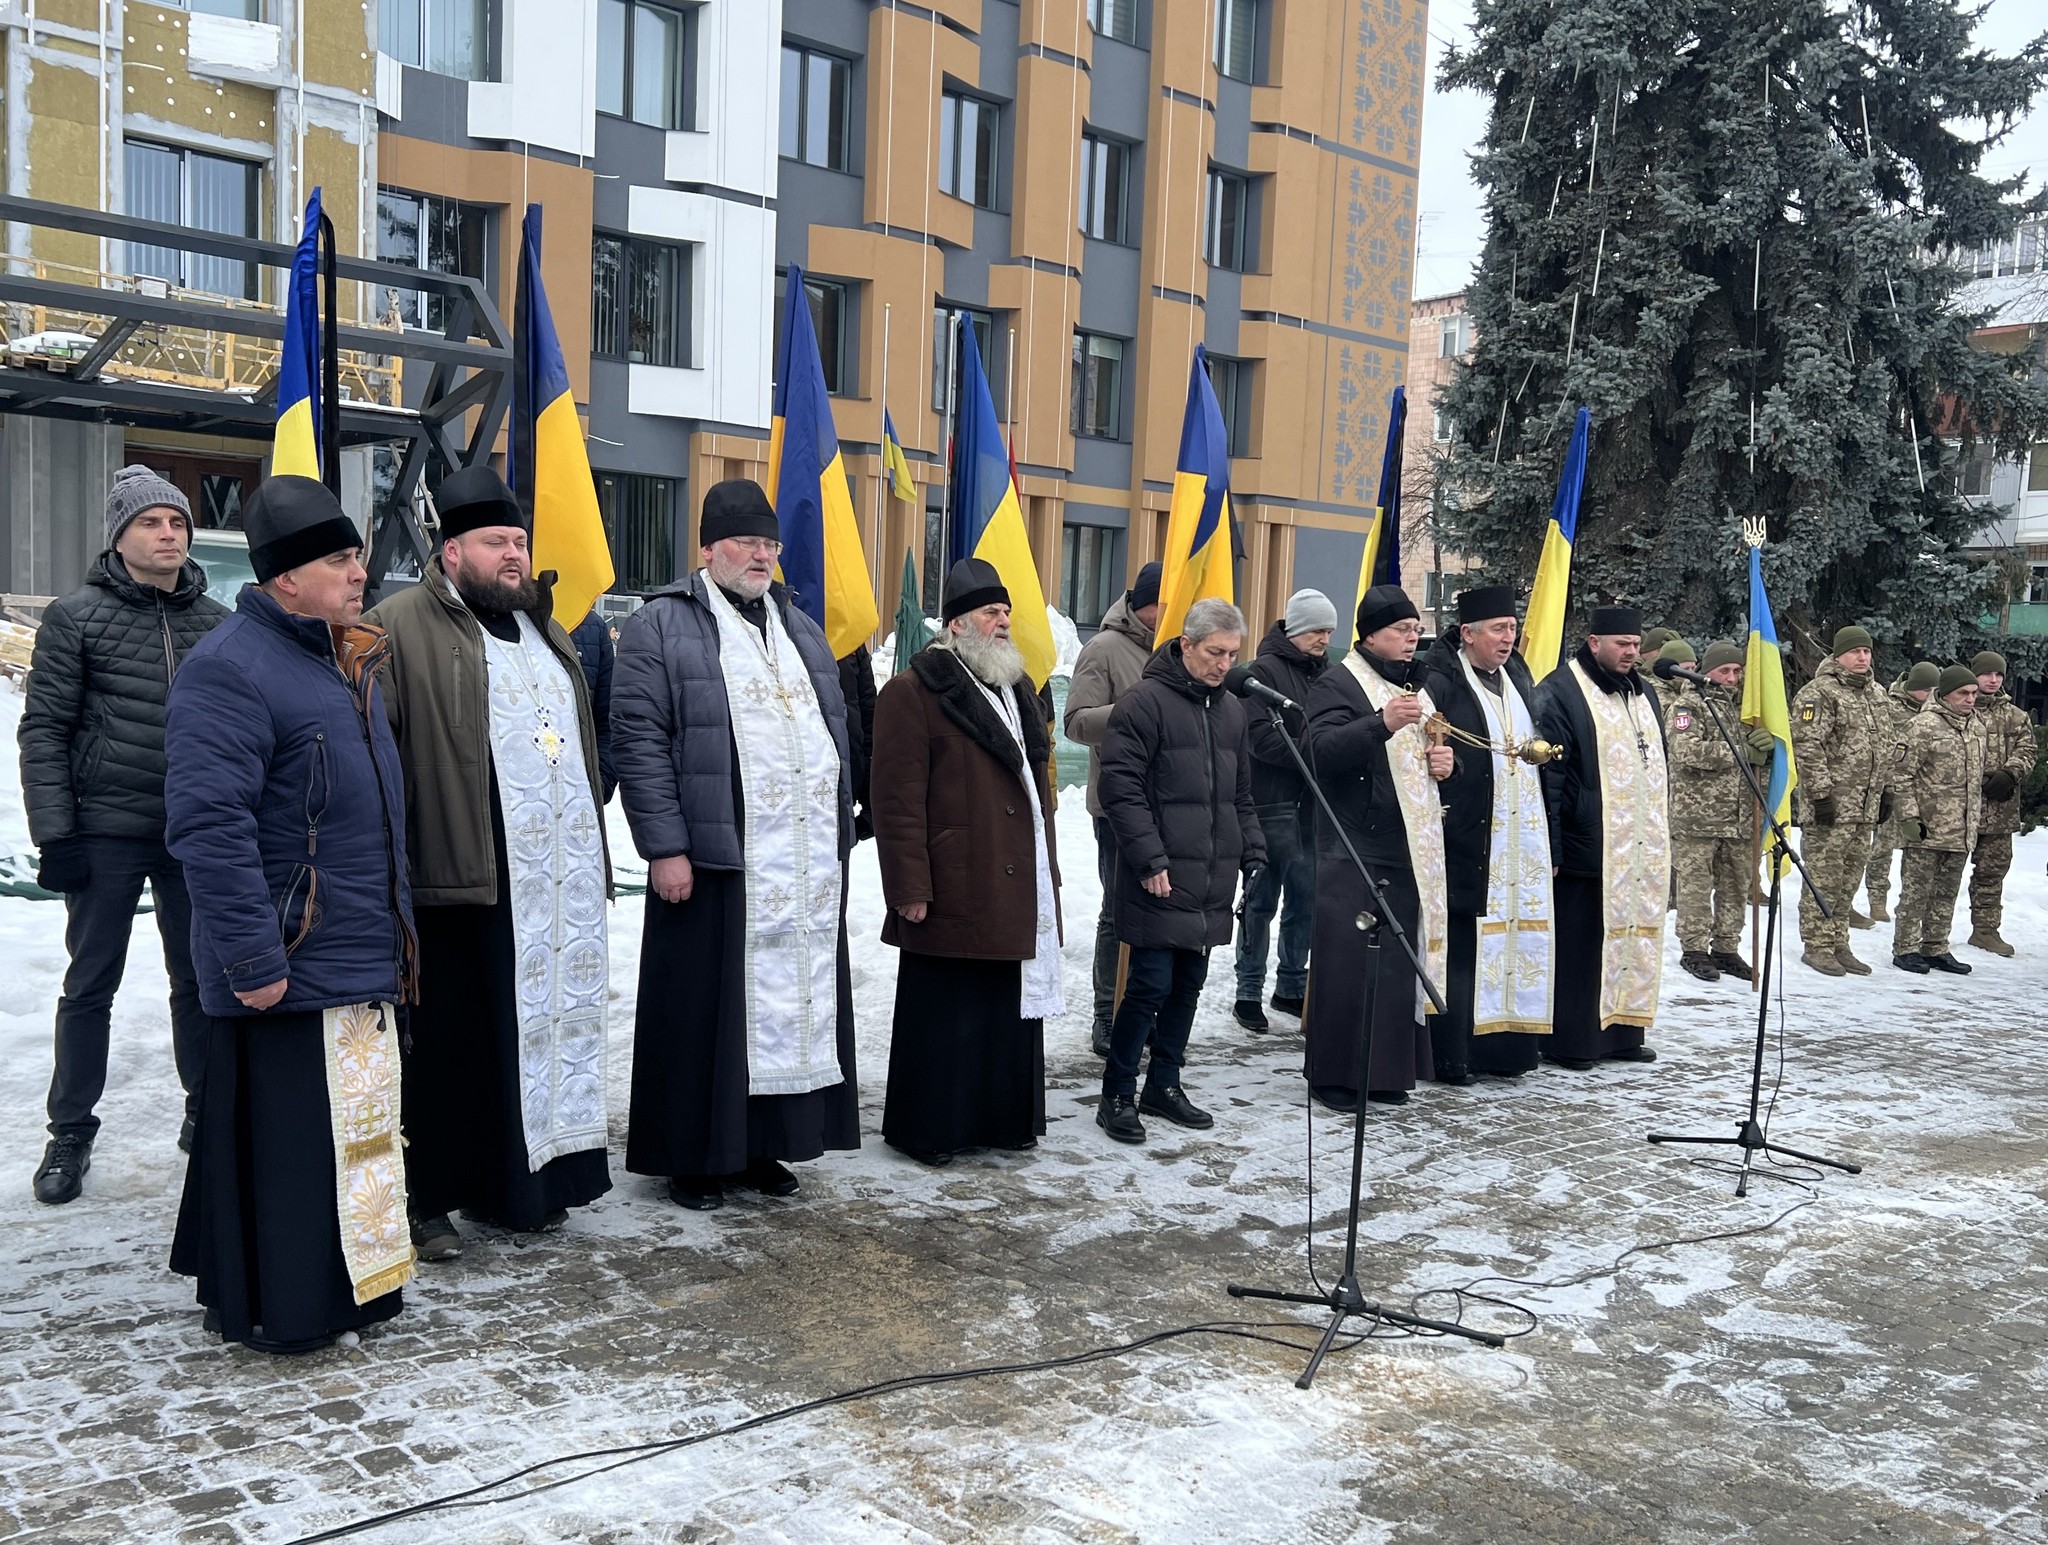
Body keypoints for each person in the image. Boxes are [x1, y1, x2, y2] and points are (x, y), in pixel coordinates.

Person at [164, 476, 416, 1353]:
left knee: (351, 1140)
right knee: (292, 1154)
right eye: (339, 559)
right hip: (289, 956)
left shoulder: (343, 657)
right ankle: (287, 1308)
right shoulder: (230, 668)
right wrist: (252, 957)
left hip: (351, 947)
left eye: (356, 556)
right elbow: (208, 825)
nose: (359, 572)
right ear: (284, 580)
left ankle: (345, 1294)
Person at [363, 466, 613, 1260]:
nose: (513, 555)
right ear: (452, 552)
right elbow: (379, 753)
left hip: (552, 884)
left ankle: (520, 1186)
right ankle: (429, 1200)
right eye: (495, 542)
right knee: (452, 1047)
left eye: (519, 541)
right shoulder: (396, 624)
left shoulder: (543, 626)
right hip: (456, 871)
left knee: (527, 1037)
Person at [612, 480, 859, 1210]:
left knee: (778, 1007)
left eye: (769, 544)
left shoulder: (797, 626)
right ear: (708, 547)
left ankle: (760, 1143)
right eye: (747, 541)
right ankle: (690, 1156)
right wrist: (664, 846)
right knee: (702, 1014)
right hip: (712, 856)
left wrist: (840, 825)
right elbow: (639, 739)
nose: (761, 555)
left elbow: (832, 728)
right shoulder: (661, 624)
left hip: (796, 860)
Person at [19, 466, 229, 1205]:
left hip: (193, 833)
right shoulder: (75, 617)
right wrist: (55, 834)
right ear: (119, 535)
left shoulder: (216, 622)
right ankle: (69, 1130)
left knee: (201, 981)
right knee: (90, 984)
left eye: (177, 522)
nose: (168, 533)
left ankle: (208, 1111)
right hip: (105, 830)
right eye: (150, 522)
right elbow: (45, 729)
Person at [872, 558, 1062, 1165]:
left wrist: (1050, 872)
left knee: (1004, 1006)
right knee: (945, 1012)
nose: (1002, 621)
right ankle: (928, 1130)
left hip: (1013, 875)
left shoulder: (1017, 688)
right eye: (989, 612)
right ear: (955, 623)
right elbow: (896, 801)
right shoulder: (912, 692)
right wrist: (909, 886)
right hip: (953, 879)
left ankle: (1001, 1122)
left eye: (1006, 611)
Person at [1094, 597, 1263, 1142]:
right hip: (1160, 874)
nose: (1224, 665)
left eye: (1232, 654)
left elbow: (1240, 796)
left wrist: (1253, 850)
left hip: (1210, 875)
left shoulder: (1232, 711)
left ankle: (1164, 1084)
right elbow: (1120, 788)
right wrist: (1149, 859)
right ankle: (1117, 1093)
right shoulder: (1144, 703)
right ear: (1186, 645)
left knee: (1188, 985)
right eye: (1215, 652)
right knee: (1148, 986)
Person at [1301, 584, 1454, 1108]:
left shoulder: (1417, 685)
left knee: (1394, 964)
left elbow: (1429, 754)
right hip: (1352, 846)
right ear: (1369, 635)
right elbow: (1318, 751)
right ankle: (1334, 1077)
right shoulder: (1338, 683)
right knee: (1349, 962)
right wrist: (1380, 723)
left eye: (1415, 630)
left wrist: (1447, 765)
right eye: (1401, 630)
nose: (1412, 638)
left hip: (1407, 843)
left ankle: (1385, 1073)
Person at [1418, 585, 1551, 1081]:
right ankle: (1456, 1054)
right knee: (1464, 947)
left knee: (1514, 939)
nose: (1508, 638)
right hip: (1466, 834)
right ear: (1468, 634)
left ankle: (1506, 1052)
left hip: (1519, 839)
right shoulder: (1440, 680)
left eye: (1512, 628)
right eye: (1498, 629)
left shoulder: (1517, 677)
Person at [1530, 607, 1669, 1069]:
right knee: (1583, 947)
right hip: (1585, 841)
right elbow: (1549, 778)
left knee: (1629, 939)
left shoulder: (1643, 692)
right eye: (1621, 644)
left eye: (1636, 644)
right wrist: (1552, 844)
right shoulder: (1562, 689)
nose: (1631, 653)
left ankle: (1623, 1032)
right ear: (1594, 643)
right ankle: (1572, 1042)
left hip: (1637, 845)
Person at [1064, 561, 1160, 1056]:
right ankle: (1107, 1014)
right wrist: (1133, 711)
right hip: (1118, 805)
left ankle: (1145, 1012)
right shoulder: (1103, 648)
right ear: (1144, 603)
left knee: (1161, 917)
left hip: (1170, 805)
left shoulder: (1180, 649)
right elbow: (1076, 723)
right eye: (1163, 603)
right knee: (1117, 912)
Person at [1233, 588, 1335, 1032]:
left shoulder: (1327, 673)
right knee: (1260, 903)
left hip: (1313, 807)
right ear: (1294, 629)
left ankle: (1291, 986)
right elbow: (1260, 740)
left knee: (1305, 901)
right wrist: (1323, 751)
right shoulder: (1262, 673)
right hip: (1270, 805)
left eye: (1328, 631)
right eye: (1316, 631)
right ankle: (1248, 991)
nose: (1324, 639)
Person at [1790, 625, 1891, 975]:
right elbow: (1808, 745)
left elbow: (1885, 746)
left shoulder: (1876, 693)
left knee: (1849, 880)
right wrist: (1820, 795)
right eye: (1854, 652)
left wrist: (1886, 790)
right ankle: (1817, 945)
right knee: (1824, 878)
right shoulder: (1819, 693)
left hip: (1864, 807)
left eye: (1866, 651)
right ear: (1838, 656)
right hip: (1831, 807)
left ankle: (1838, 942)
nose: (1862, 657)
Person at [1666, 640, 1765, 983]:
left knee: (1736, 884)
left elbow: (1758, 760)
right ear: (1707, 671)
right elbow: (1685, 751)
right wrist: (1741, 750)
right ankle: (1694, 949)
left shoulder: (1747, 711)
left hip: (1739, 816)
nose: (1732, 678)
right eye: (1725, 670)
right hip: (1698, 817)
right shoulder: (1688, 705)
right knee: (1695, 885)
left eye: (1737, 671)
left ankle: (1726, 946)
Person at [1892, 665, 1987, 976]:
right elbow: (1900, 775)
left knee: (1946, 893)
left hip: (1961, 829)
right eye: (1963, 693)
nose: (1970, 699)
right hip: (1927, 828)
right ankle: (1906, 948)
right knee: (1916, 892)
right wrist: (1909, 817)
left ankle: (1935, 946)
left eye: (1973, 693)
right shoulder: (1923, 726)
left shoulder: (1977, 728)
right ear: (1945, 694)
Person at [1964, 650, 2034, 957]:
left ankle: (1985, 930)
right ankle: (1930, 934)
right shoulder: (1958, 709)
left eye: (1998, 675)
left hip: (1999, 810)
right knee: (1940, 875)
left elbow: (2027, 750)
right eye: (1986, 674)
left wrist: (2010, 773)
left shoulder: (2016, 716)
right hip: (1956, 810)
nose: (1993, 680)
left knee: (1991, 873)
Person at [1863, 661, 1938, 923]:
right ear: (1912, 687)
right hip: (1892, 786)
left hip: (1922, 791)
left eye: (1935, 691)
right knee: (1882, 847)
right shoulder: (1889, 707)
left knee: (1916, 848)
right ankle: (1877, 899)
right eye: (1926, 690)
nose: (1930, 695)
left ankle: (1911, 902)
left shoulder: (1936, 713)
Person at [569, 609, 619, 803]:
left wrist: (600, 783)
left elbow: (609, 719)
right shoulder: (486, 623)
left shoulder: (592, 627)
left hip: (580, 799)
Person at [1650, 636, 1695, 731]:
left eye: (1693, 668)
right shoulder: (1654, 693)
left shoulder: (1690, 689)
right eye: (1685, 669)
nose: (1691, 673)